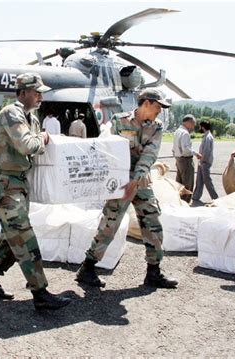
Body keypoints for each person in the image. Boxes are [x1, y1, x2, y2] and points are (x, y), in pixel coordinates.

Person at [0, 73, 71, 310]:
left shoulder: (33, 118)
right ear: (23, 93)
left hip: (20, 182)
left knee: (11, 235)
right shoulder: (11, 113)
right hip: (5, 182)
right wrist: (43, 138)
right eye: (36, 91)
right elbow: (27, 145)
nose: (40, 96)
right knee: (22, 234)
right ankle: (40, 292)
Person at [76, 88, 178, 289]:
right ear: (146, 103)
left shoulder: (157, 127)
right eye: (158, 106)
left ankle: (154, 272)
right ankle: (87, 269)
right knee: (110, 223)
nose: (160, 111)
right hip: (120, 181)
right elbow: (107, 149)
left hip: (139, 181)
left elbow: (150, 154)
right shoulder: (119, 121)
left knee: (152, 220)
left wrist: (139, 176)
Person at [172, 114, 201, 203]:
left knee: (179, 182)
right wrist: (196, 153)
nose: (193, 125)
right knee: (187, 183)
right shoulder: (185, 133)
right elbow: (186, 149)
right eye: (193, 123)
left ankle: (178, 201)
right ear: (188, 122)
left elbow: (174, 148)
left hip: (178, 159)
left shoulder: (177, 131)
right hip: (186, 160)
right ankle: (185, 203)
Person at [192, 121, 218, 202]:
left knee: (207, 180)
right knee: (199, 180)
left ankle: (215, 198)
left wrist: (202, 160)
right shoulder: (206, 136)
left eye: (200, 127)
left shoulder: (208, 137)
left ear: (203, 127)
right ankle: (195, 196)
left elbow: (206, 151)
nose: (199, 128)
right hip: (202, 162)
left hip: (205, 162)